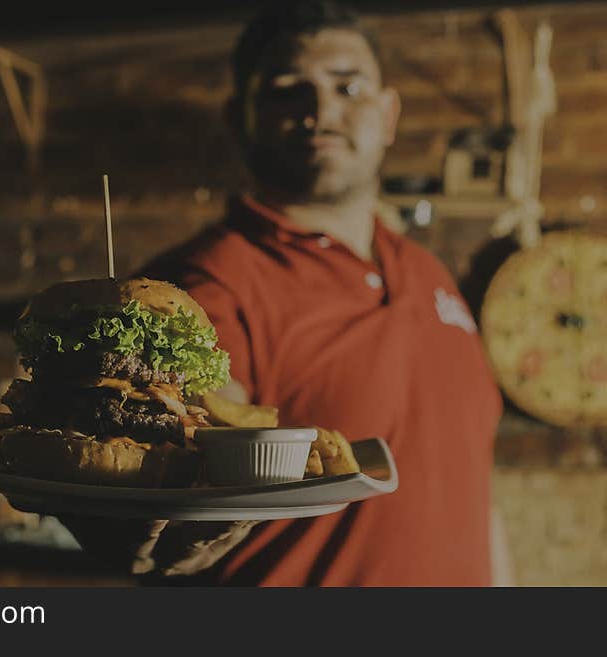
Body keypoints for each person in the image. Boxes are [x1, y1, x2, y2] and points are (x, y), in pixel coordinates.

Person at [26, 0, 512, 586]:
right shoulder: (208, 282)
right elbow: (173, 482)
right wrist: (149, 534)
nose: (321, 109)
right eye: (287, 89)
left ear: (387, 115)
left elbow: (472, 486)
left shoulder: (430, 274)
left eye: (348, 87)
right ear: (240, 118)